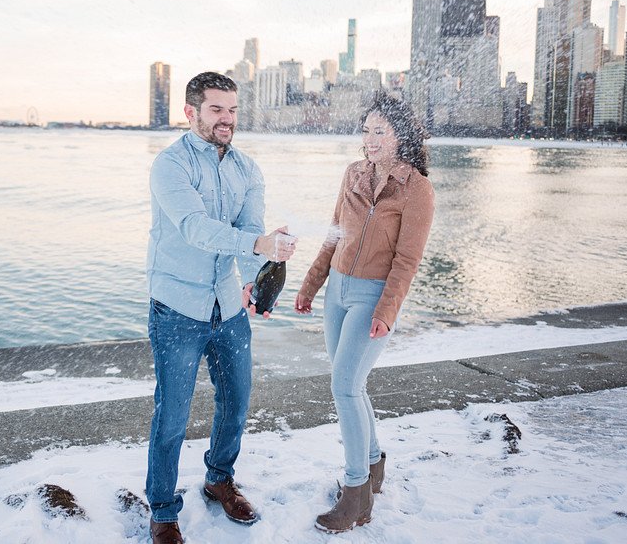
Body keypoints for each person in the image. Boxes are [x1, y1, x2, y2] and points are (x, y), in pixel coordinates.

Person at [145, 71, 296, 544]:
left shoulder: (248, 170)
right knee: (172, 415)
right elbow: (194, 227)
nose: (227, 119)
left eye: (232, 110)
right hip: (177, 307)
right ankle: (164, 512)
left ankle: (219, 480)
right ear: (191, 112)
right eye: (216, 110)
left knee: (236, 404)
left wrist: (256, 278)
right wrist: (259, 241)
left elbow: (250, 231)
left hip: (228, 305)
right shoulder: (169, 166)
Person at [294, 90, 434, 534]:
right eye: (366, 131)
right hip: (337, 289)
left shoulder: (417, 189)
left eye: (380, 131)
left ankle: (356, 496)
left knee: (345, 387)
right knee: (352, 384)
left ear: (401, 136)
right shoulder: (353, 174)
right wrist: (311, 284)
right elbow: (334, 236)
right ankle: (373, 466)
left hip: (372, 296)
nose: (370, 140)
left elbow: (406, 261)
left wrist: (387, 311)